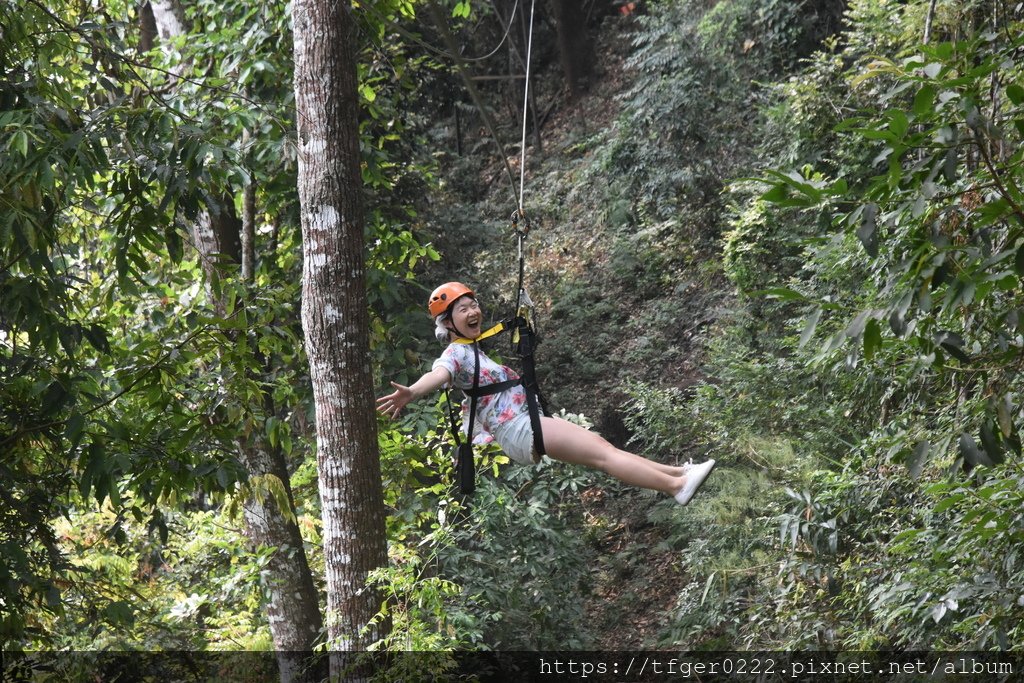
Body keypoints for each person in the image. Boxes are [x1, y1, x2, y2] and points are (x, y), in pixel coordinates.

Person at [376, 282, 715, 505]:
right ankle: (675, 486)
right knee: (604, 455)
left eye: (473, 304)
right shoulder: (456, 354)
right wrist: (412, 393)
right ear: (448, 324)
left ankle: (678, 475)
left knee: (604, 450)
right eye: (462, 309)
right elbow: (438, 374)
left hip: (524, 424)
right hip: (520, 428)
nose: (472, 311)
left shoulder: (474, 351)